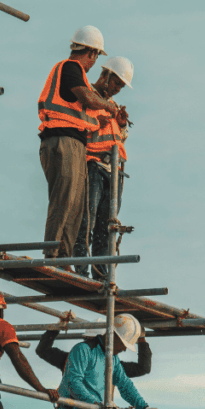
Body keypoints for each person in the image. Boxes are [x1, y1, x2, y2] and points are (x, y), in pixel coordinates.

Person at [38, 26, 120, 261]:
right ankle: (52, 254)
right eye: (95, 56)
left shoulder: (76, 75)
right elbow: (86, 97)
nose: (94, 62)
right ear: (92, 53)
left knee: (75, 205)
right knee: (64, 199)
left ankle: (64, 255)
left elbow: (81, 110)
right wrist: (107, 105)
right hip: (61, 140)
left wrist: (102, 118)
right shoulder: (70, 67)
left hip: (72, 143)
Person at [73, 56, 134, 281]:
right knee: (86, 220)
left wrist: (122, 125)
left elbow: (118, 138)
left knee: (106, 228)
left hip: (113, 171)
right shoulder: (87, 96)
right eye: (116, 83)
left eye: (120, 86)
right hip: (93, 166)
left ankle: (101, 275)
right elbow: (81, 125)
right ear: (105, 75)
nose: (117, 89)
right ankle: (80, 270)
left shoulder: (113, 106)